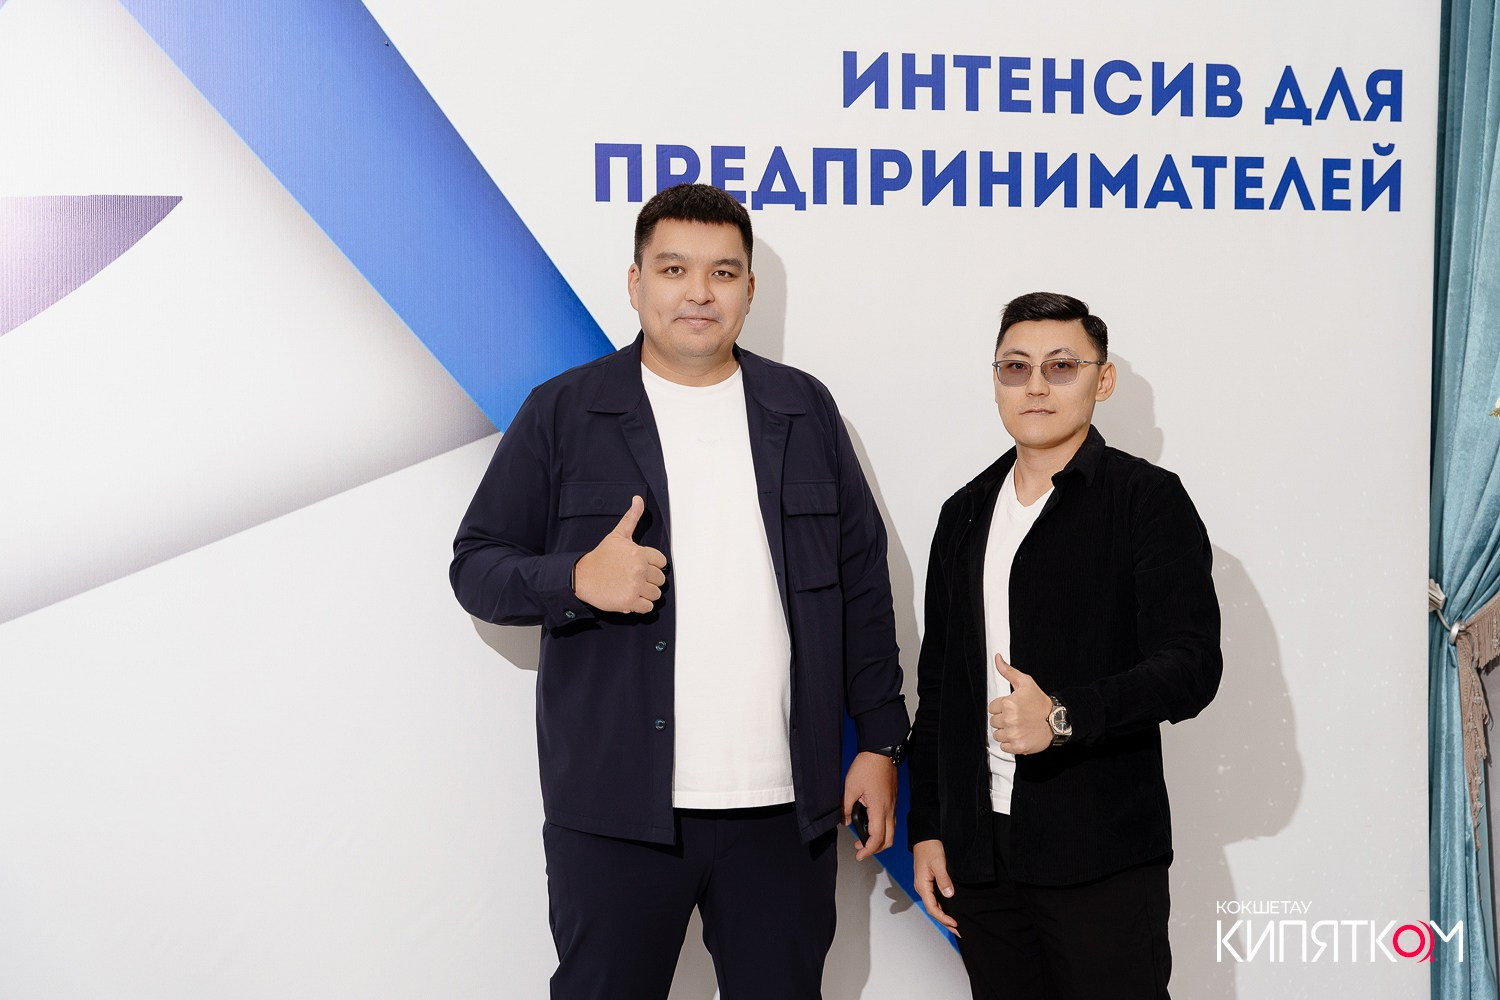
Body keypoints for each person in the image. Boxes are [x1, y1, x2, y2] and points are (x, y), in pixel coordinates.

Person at [450, 183, 909, 1000]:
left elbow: (862, 588)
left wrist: (879, 742)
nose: (699, 292)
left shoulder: (803, 409)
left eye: (723, 273)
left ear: (749, 290)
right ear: (636, 284)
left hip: (784, 814)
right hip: (615, 813)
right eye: (673, 269)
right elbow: (476, 565)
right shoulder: (564, 412)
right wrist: (576, 579)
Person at [907, 292, 1221, 1000]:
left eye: (1060, 366)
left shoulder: (1147, 499)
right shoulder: (964, 513)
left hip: (1100, 851)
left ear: (1101, 381)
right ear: (996, 380)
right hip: (979, 856)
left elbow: (1192, 667)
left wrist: (1061, 717)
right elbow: (941, 687)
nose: (1036, 386)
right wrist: (928, 828)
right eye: (1015, 367)